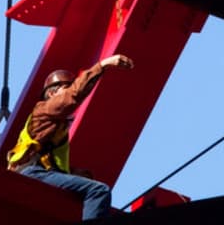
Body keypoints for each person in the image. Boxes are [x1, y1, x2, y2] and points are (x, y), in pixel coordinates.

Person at [7, 54, 135, 220]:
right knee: (98, 190)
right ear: (52, 93)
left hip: (38, 172)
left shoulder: (54, 125)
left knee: (87, 189)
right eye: (65, 87)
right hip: (34, 172)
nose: (70, 90)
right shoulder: (45, 109)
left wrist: (79, 175)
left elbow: (56, 164)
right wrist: (103, 64)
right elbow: (72, 96)